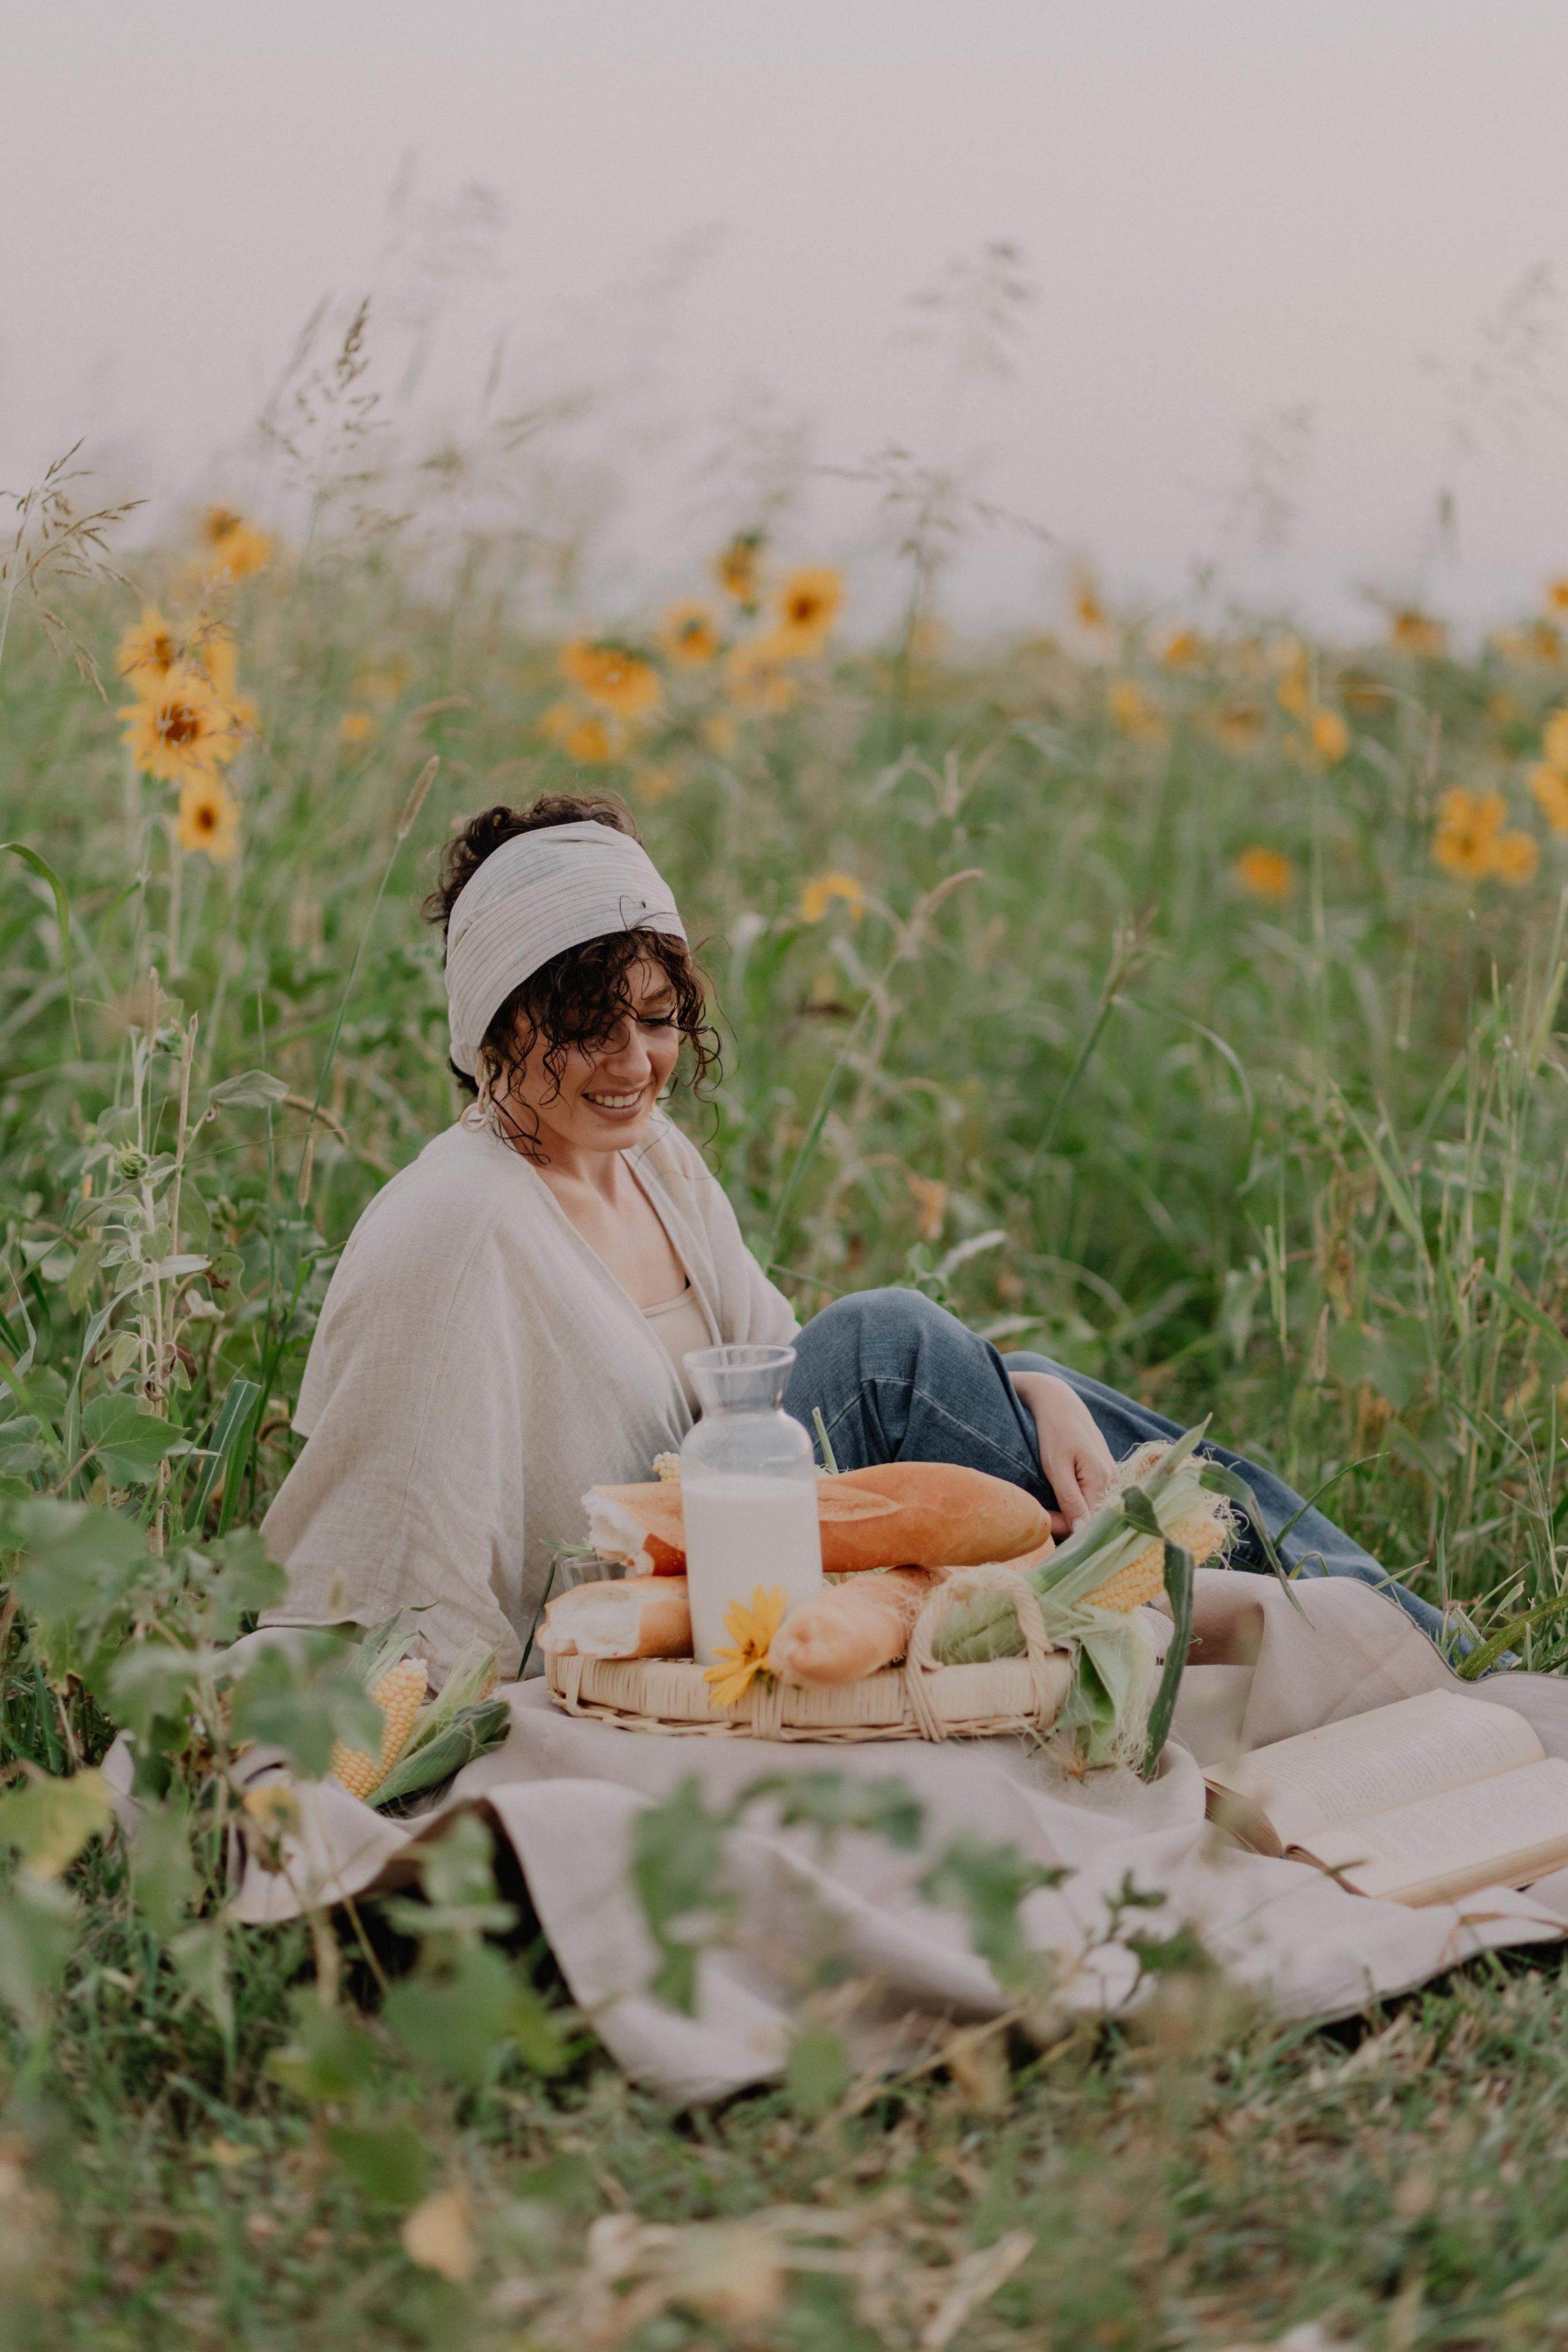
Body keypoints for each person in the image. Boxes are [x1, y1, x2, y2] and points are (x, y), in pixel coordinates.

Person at [260, 791, 1447, 1681]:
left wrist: (1027, 1385)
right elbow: (390, 1547)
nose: (633, 1064)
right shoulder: (456, 1221)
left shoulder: (652, 1162)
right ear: (494, 1024)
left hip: (757, 1543)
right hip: (634, 1609)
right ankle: (1382, 1634)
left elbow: (781, 1390)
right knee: (885, 1348)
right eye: (584, 1028)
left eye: (657, 1019)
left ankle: (1373, 1625)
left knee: (951, 1372)